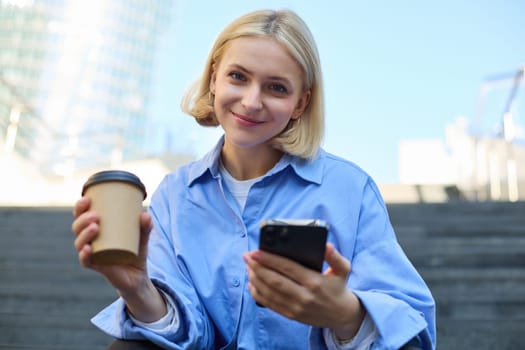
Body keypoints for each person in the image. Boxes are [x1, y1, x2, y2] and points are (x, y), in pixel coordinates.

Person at [72, 8, 436, 350]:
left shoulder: (350, 190)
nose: (250, 101)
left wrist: (346, 315)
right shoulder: (173, 196)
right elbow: (185, 335)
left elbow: (412, 326)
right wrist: (138, 290)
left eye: (276, 88)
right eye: (238, 77)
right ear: (213, 78)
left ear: (300, 104)